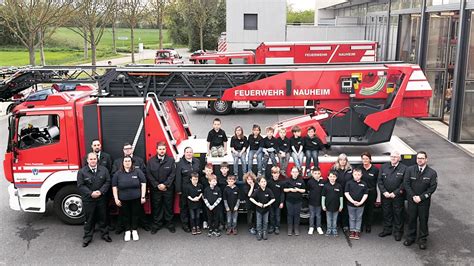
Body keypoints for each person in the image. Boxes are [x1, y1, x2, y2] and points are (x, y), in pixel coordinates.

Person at [403, 151, 438, 250]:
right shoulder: (410, 170)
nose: (420, 160)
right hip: (412, 200)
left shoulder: (432, 173)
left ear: (426, 159)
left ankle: (422, 239)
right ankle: (410, 237)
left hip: (424, 202)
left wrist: (421, 197)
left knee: (423, 220)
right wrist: (413, 196)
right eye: (418, 158)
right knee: (411, 219)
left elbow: (432, 188)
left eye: (422, 158)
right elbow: (406, 184)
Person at [111, 143, 148, 234]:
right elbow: (113, 176)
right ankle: (122, 227)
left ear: (132, 150)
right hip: (123, 193)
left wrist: (143, 193)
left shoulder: (139, 160)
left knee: (138, 210)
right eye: (125, 149)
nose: (127, 150)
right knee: (123, 212)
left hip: (137, 193)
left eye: (129, 148)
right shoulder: (117, 161)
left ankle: (143, 225)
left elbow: (144, 175)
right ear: (123, 151)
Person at [77, 152, 112, 247]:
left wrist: (100, 192)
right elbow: (80, 185)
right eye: (91, 159)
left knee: (103, 217)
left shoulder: (104, 170)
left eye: (94, 159)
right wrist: (91, 193)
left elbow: (108, 182)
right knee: (89, 219)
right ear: (87, 160)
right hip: (88, 199)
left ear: (97, 160)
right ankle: (87, 237)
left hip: (101, 198)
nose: (93, 161)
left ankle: (105, 235)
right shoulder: (82, 172)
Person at [147, 142, 176, 234]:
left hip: (168, 189)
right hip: (155, 189)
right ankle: (156, 225)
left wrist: (165, 185)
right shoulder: (151, 161)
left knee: (169, 207)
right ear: (157, 150)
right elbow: (149, 174)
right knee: (156, 207)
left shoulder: (171, 161)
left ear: (166, 149)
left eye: (163, 149)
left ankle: (170, 224)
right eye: (160, 149)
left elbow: (172, 174)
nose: (162, 151)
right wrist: (157, 185)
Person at [378, 151, 407, 241]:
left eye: (395, 157)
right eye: (392, 156)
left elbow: (404, 183)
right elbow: (380, 181)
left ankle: (398, 232)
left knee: (398, 214)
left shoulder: (404, 168)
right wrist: (384, 192)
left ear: (399, 158)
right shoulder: (384, 167)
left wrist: (395, 193)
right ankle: (387, 229)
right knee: (386, 213)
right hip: (386, 195)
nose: (393, 158)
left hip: (397, 196)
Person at [175, 147, 201, 233]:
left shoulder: (197, 161)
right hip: (185, 189)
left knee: (195, 207)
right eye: (187, 152)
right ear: (184, 153)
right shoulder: (179, 164)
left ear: (192, 153)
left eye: (190, 152)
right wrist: (178, 189)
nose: (189, 154)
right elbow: (178, 177)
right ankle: (185, 225)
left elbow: (200, 175)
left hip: (195, 189)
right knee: (184, 207)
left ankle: (193, 224)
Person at [345, 168, 368, 240]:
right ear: (352, 175)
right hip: (350, 204)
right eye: (355, 174)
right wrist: (352, 201)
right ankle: (352, 231)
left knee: (359, 218)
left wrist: (361, 202)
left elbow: (365, 194)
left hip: (361, 205)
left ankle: (357, 231)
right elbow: (346, 193)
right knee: (352, 218)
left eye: (358, 174)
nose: (357, 176)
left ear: (361, 175)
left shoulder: (364, 184)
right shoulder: (348, 183)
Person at [332, 153, 353, 232]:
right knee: (336, 208)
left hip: (347, 192)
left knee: (345, 210)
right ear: (338, 161)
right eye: (341, 160)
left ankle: (345, 225)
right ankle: (336, 224)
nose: (343, 161)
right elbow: (331, 180)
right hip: (336, 192)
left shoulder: (350, 169)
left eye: (344, 160)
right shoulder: (334, 169)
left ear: (346, 161)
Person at [250, 176, 275, 241]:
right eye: (262, 182)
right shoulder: (257, 191)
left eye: (264, 181)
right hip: (258, 210)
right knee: (259, 222)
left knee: (266, 222)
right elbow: (251, 198)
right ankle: (259, 233)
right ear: (259, 183)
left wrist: (267, 204)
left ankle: (264, 233)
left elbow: (273, 199)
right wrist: (257, 204)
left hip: (266, 210)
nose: (264, 183)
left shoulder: (268, 190)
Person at [360, 152, 379, 233]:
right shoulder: (359, 168)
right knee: (361, 209)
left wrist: (378, 197)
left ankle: (368, 225)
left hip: (371, 192)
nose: (365, 160)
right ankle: (360, 226)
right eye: (363, 159)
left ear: (370, 159)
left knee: (370, 210)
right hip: (361, 192)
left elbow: (378, 183)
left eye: (366, 159)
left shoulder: (375, 170)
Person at [284, 166, 306, 236]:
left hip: (298, 201)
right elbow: (284, 189)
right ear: (291, 173)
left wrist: (298, 190)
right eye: (293, 172)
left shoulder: (301, 180)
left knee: (297, 215)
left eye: (296, 172)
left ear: (298, 173)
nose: (295, 173)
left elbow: (304, 190)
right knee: (290, 214)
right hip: (289, 201)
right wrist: (290, 189)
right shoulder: (287, 180)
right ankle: (290, 229)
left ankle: (296, 229)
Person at [322, 171, 343, 236]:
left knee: (334, 219)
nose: (332, 178)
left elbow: (341, 197)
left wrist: (341, 205)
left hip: (336, 206)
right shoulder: (326, 186)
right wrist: (323, 205)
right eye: (330, 176)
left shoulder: (339, 186)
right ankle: (329, 229)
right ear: (328, 177)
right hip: (328, 206)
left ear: (336, 177)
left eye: (334, 177)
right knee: (328, 219)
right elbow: (323, 196)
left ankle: (334, 229)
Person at [307, 166, 326, 235]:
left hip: (319, 202)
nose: (317, 175)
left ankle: (318, 227)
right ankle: (311, 227)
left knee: (318, 215)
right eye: (315, 173)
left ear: (320, 174)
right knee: (312, 215)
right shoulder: (310, 182)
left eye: (318, 173)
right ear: (312, 174)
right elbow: (308, 190)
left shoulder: (323, 182)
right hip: (311, 202)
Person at [267, 166, 284, 235]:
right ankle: (271, 226)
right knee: (271, 215)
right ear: (272, 174)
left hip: (278, 203)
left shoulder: (281, 183)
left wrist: (282, 202)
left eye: (277, 173)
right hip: (271, 203)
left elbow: (282, 193)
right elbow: (267, 192)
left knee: (277, 215)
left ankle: (277, 227)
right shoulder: (269, 182)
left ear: (279, 174)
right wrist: (268, 202)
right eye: (274, 173)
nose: (276, 174)